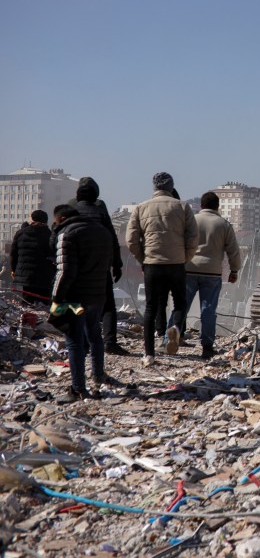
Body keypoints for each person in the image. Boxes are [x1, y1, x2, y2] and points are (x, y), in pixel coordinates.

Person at [125, 172, 198, 367]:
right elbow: (193, 238)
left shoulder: (141, 208)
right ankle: (174, 327)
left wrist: (144, 258)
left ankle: (149, 354)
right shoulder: (183, 207)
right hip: (176, 264)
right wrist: (185, 258)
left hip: (152, 265)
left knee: (151, 308)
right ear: (171, 186)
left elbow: (131, 240)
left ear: (154, 187)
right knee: (181, 303)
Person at [49, 204, 114, 402]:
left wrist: (56, 299)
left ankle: (78, 388)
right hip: (98, 294)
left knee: (75, 340)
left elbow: (64, 271)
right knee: (94, 334)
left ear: (60, 218)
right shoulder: (103, 232)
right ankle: (98, 374)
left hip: (75, 298)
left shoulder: (67, 234)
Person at [171, 191, 242, 360]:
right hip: (212, 272)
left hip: (188, 269)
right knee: (208, 310)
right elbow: (233, 251)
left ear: (201, 205)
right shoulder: (224, 224)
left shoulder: (191, 221)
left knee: (181, 306)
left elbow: (179, 243)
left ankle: (171, 335)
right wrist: (234, 270)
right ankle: (207, 347)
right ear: (217, 207)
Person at [70, 177, 128, 355]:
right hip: (99, 265)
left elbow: (56, 238)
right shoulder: (100, 209)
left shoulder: (70, 208)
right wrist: (116, 264)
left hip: (75, 267)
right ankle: (109, 341)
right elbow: (111, 237)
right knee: (108, 305)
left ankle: (82, 342)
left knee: (75, 304)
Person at [9, 210, 55, 305]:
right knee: (43, 306)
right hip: (44, 277)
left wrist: (14, 270)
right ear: (46, 221)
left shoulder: (20, 233)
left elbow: (13, 254)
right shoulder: (50, 235)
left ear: (32, 219)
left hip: (25, 277)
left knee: (26, 304)